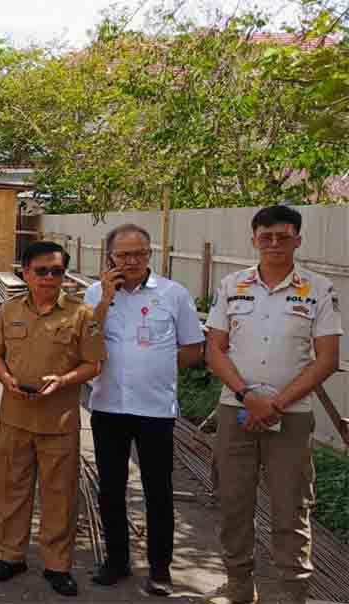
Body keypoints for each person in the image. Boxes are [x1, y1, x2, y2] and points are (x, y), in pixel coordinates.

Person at [205, 205, 342, 604]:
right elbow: (215, 350)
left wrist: (276, 404)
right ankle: (239, 589)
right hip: (237, 410)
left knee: (290, 509)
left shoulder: (318, 289)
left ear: (298, 240)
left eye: (283, 236)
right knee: (233, 505)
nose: (275, 243)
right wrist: (249, 397)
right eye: (266, 236)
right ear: (254, 240)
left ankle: (292, 593)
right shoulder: (232, 285)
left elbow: (327, 359)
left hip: (292, 417)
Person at [84, 224, 204, 596]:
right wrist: (104, 299)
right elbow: (85, 342)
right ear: (110, 258)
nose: (132, 261)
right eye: (124, 255)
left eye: (140, 253)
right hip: (107, 406)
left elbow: (192, 349)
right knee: (111, 489)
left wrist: (155, 371)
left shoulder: (173, 294)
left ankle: (160, 569)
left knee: (158, 490)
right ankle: (117, 561)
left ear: (150, 254)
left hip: (155, 410)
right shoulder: (93, 294)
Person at [0, 240, 105, 597]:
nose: (50, 277)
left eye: (57, 271)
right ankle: (10, 556)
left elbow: (93, 364)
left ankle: (57, 565)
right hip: (15, 417)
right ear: (26, 272)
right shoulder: (8, 311)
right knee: (10, 491)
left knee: (59, 497)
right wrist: (5, 379)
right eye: (42, 270)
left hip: (59, 422)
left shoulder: (82, 314)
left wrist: (64, 381)